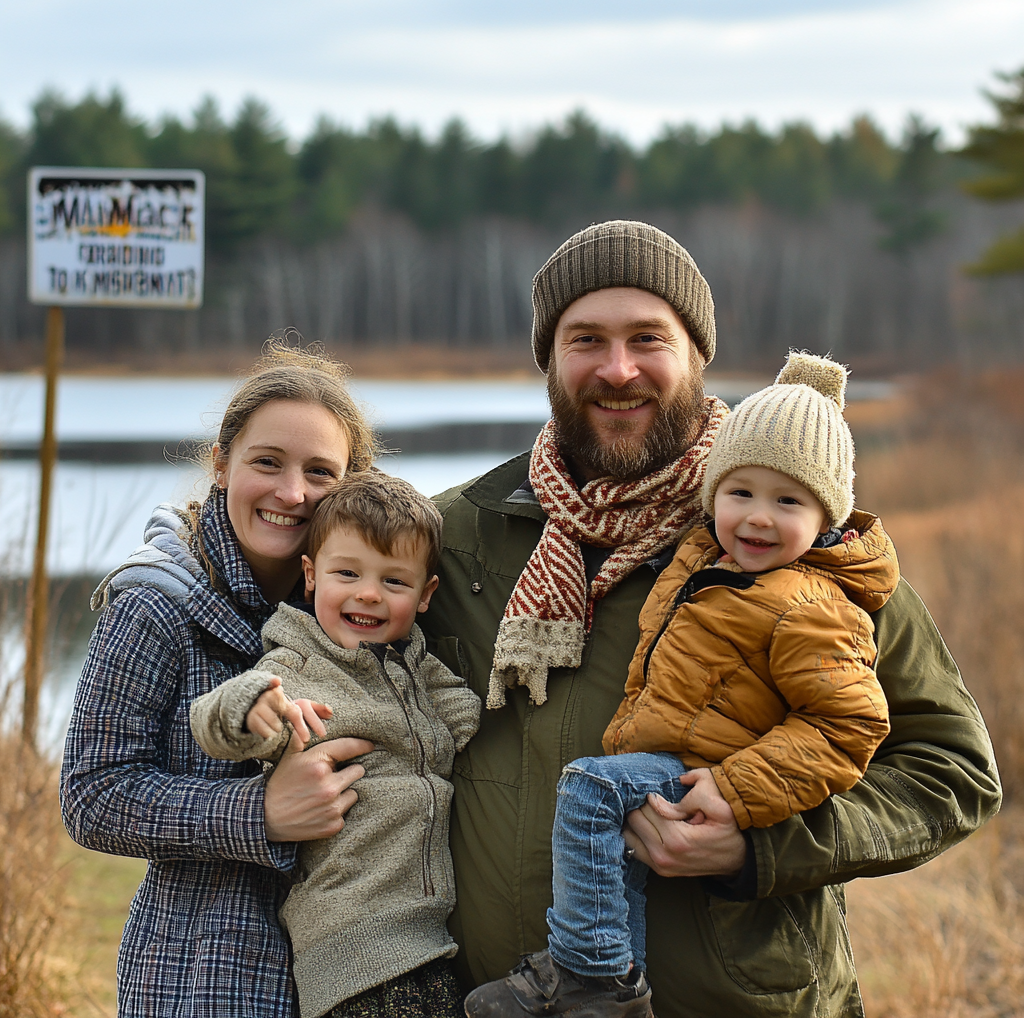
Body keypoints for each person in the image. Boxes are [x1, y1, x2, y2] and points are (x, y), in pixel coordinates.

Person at [418, 220, 1002, 1017]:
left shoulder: (790, 535)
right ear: (548, 358)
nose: (617, 369)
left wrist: (759, 847)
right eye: (585, 338)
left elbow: (951, 769)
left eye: (647, 338)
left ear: (698, 354)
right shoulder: (454, 536)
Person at [464, 352, 898, 1017]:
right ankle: (611, 990)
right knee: (616, 851)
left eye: (788, 501)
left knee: (590, 788)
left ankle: (593, 972)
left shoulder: (816, 602)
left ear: (828, 518)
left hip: (713, 775)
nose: (757, 517)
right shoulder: (702, 556)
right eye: (740, 493)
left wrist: (736, 795)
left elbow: (852, 725)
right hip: (685, 755)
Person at [60, 340, 378, 1018]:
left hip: (348, 981)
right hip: (199, 981)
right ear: (223, 462)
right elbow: (90, 795)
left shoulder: (366, 614)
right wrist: (257, 812)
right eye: (268, 462)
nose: (292, 493)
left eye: (320, 472)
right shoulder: (156, 602)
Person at [190, 470, 481, 1018]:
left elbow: (466, 716)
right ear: (311, 575)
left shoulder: (416, 666)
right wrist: (253, 705)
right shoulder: (296, 666)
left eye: (394, 582)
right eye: (346, 573)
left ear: (426, 595)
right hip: (353, 944)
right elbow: (210, 721)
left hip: (427, 938)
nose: (368, 594)